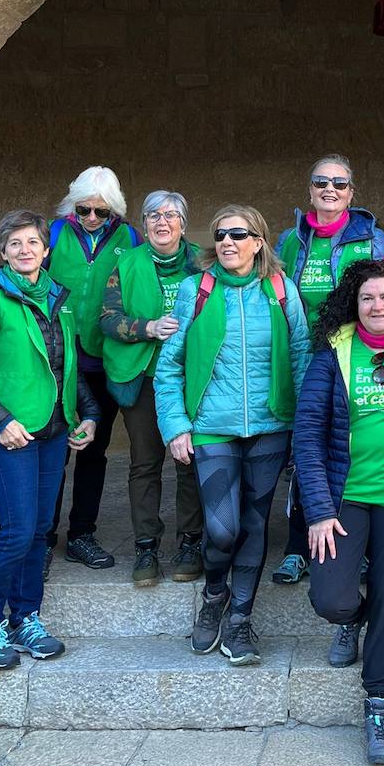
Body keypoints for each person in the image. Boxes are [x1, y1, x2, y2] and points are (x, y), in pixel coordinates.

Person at [294, 260, 384, 766]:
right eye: (368, 298)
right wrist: (317, 510)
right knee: (331, 598)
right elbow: (307, 434)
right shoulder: (333, 353)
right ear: (353, 305)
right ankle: (351, 621)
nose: (379, 306)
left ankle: (378, 704)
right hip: (344, 498)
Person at [154, 204, 311, 666]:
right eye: (221, 234)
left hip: (271, 427)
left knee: (254, 525)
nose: (227, 241)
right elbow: (170, 366)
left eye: (238, 234)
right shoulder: (196, 290)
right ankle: (214, 595)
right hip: (211, 427)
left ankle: (240, 619)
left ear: (258, 242)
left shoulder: (280, 289)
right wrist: (176, 426)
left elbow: (301, 357)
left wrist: (304, 430)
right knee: (223, 529)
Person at [0, 210, 99, 670]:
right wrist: (0, 421)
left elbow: (66, 365)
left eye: (32, 241)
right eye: (14, 243)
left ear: (46, 249)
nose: (25, 249)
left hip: (53, 431)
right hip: (9, 435)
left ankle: (25, 619)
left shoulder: (58, 297)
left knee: (38, 531)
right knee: (16, 533)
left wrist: (89, 414)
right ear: (3, 252)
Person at [271, 154, 384, 585]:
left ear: (351, 193)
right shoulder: (290, 239)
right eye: (321, 182)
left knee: (344, 444)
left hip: (352, 354)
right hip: (304, 355)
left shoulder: (372, 239)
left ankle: (355, 544)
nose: (330, 190)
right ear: (310, 191)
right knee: (305, 446)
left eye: (339, 184)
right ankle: (297, 546)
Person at [100, 190, 204, 586]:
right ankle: (146, 547)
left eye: (171, 215)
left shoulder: (203, 263)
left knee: (190, 460)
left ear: (183, 223)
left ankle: (190, 543)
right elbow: (107, 318)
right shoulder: (126, 263)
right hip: (143, 376)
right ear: (143, 225)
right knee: (145, 462)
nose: (163, 222)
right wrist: (147, 327)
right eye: (154, 215)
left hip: (191, 377)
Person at [45, 166, 140, 572]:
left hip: (104, 358)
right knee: (53, 449)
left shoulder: (129, 237)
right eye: (83, 209)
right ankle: (43, 537)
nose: (91, 218)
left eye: (102, 212)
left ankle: (81, 533)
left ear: (114, 210)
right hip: (59, 358)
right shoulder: (53, 233)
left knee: (93, 450)